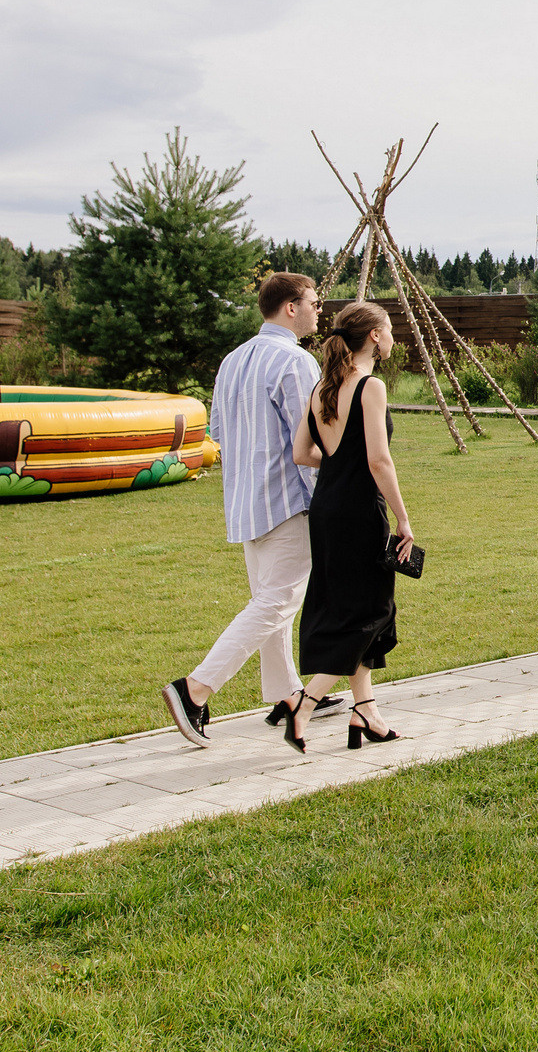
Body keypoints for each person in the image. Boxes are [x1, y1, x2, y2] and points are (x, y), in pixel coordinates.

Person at [162, 272, 343, 747]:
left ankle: (286, 695)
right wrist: (326, 497)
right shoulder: (296, 362)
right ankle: (194, 690)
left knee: (271, 602)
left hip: (244, 500)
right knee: (276, 603)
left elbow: (217, 429)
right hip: (286, 501)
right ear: (290, 307)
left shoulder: (233, 361)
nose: (317, 310)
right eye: (312, 302)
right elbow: (306, 439)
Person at [279, 302, 419, 753]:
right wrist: (403, 518)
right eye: (390, 328)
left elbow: (302, 453)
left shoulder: (321, 387)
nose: (395, 335)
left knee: (352, 605)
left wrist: (341, 466)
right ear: (375, 337)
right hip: (361, 511)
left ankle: (366, 711)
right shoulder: (370, 387)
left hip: (326, 510)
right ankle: (304, 704)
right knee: (371, 612)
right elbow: (379, 460)